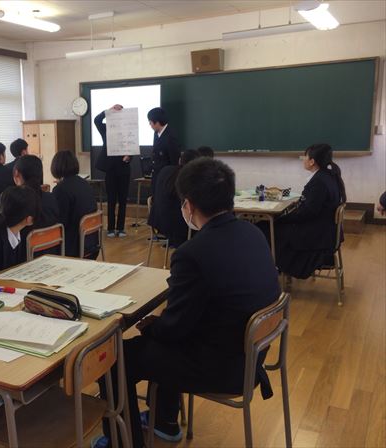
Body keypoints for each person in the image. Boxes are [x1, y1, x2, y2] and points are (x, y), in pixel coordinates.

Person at [94, 158, 280, 448]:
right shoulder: (253, 233)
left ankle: (124, 441)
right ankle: (164, 421)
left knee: (115, 358)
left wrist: (153, 327)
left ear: (188, 205)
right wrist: (160, 327)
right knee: (163, 339)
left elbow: (174, 329)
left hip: (221, 367)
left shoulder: (193, 252)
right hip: (250, 358)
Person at [274, 143, 346, 279]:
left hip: (317, 235)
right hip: (326, 231)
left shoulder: (319, 182)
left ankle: (277, 267)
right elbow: (309, 209)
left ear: (312, 161)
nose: (303, 159)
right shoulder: (329, 176)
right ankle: (278, 266)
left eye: (305, 157)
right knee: (276, 225)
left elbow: (307, 213)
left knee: (269, 228)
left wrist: (281, 218)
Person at [51, 150, 99, 258]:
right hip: (91, 244)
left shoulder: (61, 189)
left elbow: (60, 222)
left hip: (73, 247)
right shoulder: (85, 184)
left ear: (56, 166)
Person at [148, 149, 200, 247]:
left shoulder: (165, 170)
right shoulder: (190, 177)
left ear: (180, 160)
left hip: (158, 222)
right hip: (178, 226)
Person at [13, 155, 61, 260]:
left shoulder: (17, 202)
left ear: (16, 173)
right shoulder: (51, 198)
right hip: (52, 254)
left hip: (26, 258)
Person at [94, 105, 132, 238]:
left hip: (124, 169)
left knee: (122, 200)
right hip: (110, 169)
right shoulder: (106, 129)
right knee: (111, 200)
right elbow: (97, 120)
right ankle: (110, 228)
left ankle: (120, 228)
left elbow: (132, 148)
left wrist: (129, 157)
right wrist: (108, 110)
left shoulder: (128, 130)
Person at [147, 107, 180, 197]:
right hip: (156, 176)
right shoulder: (156, 133)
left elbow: (174, 161)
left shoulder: (170, 136)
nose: (150, 125)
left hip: (166, 180)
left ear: (157, 122)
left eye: (150, 122)